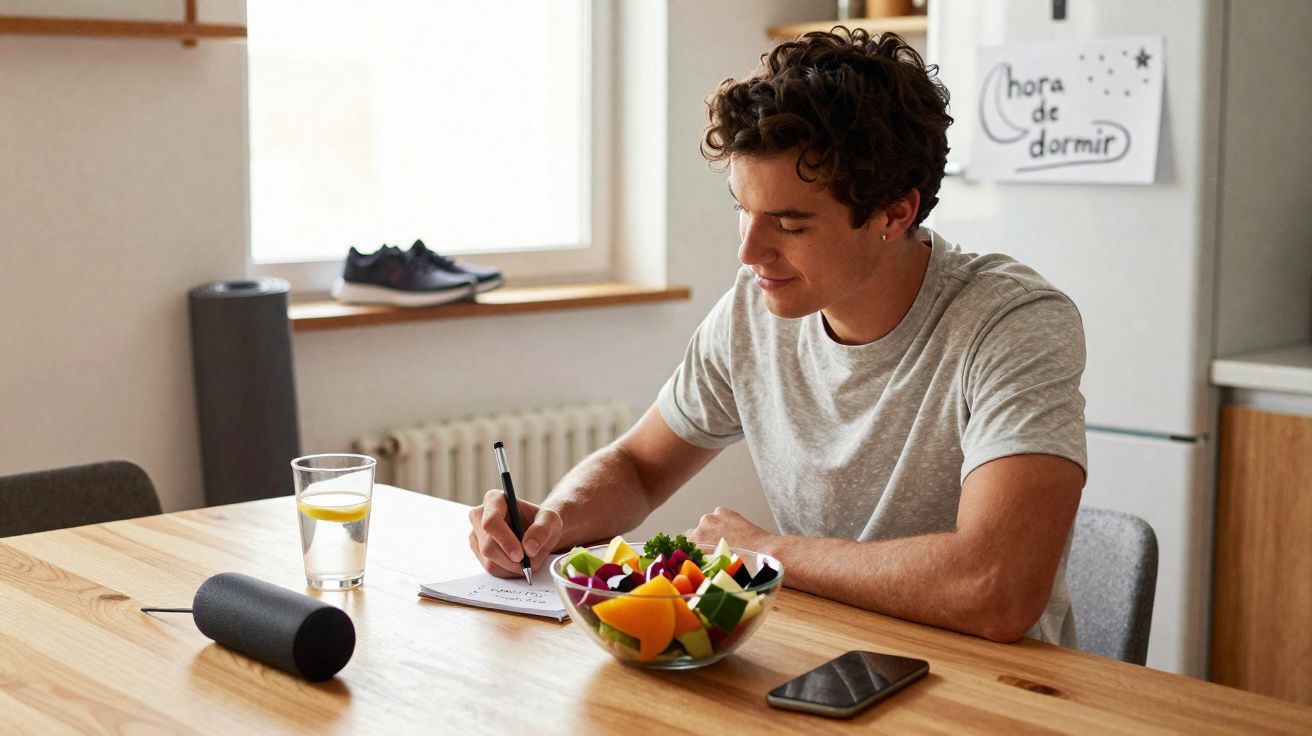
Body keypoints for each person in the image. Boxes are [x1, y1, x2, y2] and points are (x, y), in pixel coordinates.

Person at [468, 28, 1087, 645]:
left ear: (895, 213)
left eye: (789, 223)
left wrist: (766, 551)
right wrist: (554, 519)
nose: (748, 251)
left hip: (993, 689)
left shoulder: (1013, 324)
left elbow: (997, 588)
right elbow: (637, 468)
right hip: (828, 657)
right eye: (743, 207)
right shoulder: (753, 311)